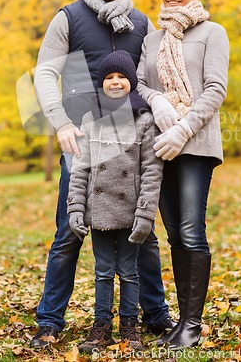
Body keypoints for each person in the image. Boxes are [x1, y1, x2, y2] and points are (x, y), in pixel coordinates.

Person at [31, 0, 174, 348]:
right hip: (82, 140)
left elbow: (151, 79)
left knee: (143, 232)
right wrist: (60, 122)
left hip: (132, 141)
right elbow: (45, 73)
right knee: (68, 230)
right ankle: (50, 320)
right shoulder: (70, 17)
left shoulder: (142, 23)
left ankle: (156, 314)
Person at [137, 0, 229, 349]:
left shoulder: (212, 32)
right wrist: (156, 100)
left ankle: (192, 325)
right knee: (174, 234)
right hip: (160, 147)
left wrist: (182, 128)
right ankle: (180, 322)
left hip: (195, 144)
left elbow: (215, 88)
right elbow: (139, 83)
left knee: (192, 231)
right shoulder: (152, 39)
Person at [67, 50, 163, 353]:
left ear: (131, 82)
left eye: (122, 76)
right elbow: (80, 168)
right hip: (99, 212)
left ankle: (129, 326)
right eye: (109, 77)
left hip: (131, 210)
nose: (116, 82)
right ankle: (102, 327)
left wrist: (146, 215)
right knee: (103, 270)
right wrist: (75, 208)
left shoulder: (145, 119)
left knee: (130, 271)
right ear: (101, 83)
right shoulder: (89, 120)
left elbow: (151, 170)